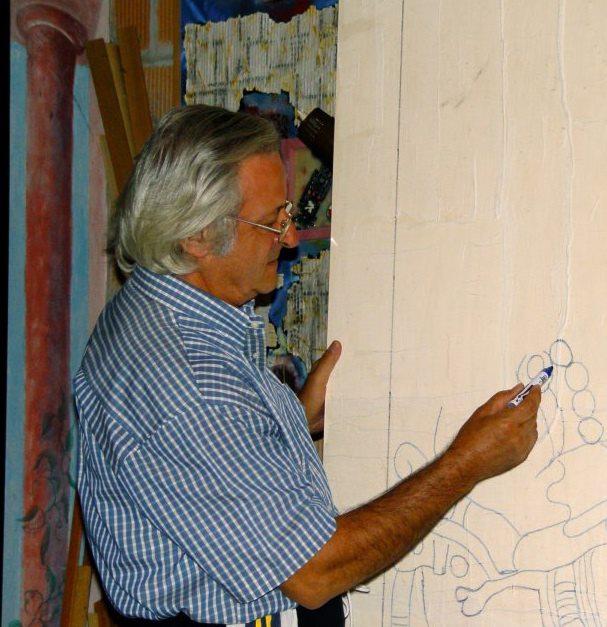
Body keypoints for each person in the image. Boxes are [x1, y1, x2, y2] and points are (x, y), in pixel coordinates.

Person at [73, 104, 541, 627]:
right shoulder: (189, 386)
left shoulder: (148, 308)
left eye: (289, 215)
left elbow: (202, 471)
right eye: (272, 222)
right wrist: (467, 463)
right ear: (196, 236)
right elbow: (315, 573)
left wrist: (291, 416)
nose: (291, 238)